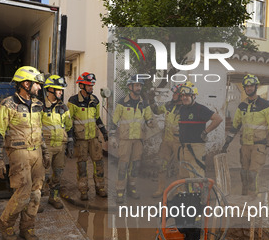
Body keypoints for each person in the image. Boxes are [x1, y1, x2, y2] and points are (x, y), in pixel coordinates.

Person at [0, 66, 51, 240]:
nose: (39, 88)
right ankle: (6, 224)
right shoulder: (8, 104)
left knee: (36, 194)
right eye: (37, 84)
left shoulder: (38, 105)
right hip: (19, 153)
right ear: (26, 84)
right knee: (23, 193)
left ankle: (27, 227)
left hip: (37, 153)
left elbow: (40, 131)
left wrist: (46, 150)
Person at [222, 74, 269, 195]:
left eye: (251, 86)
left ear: (256, 86)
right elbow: (235, 126)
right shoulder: (242, 106)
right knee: (244, 174)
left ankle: (253, 202)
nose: (249, 88)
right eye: (246, 86)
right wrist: (226, 144)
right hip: (245, 146)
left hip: (259, 146)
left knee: (253, 174)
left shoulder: (265, 105)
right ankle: (245, 199)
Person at [112, 75, 153, 203]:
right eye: (136, 85)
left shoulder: (144, 103)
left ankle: (132, 188)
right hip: (125, 139)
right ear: (130, 87)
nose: (139, 87)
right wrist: (113, 136)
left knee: (135, 165)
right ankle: (120, 191)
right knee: (123, 165)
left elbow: (148, 118)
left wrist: (151, 123)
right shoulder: (122, 102)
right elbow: (114, 120)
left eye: (140, 85)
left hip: (138, 140)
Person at [67, 72, 108, 201]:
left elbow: (97, 118)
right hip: (81, 140)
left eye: (92, 85)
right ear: (82, 86)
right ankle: (83, 190)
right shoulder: (73, 101)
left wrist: (104, 131)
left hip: (94, 138)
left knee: (99, 163)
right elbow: (69, 121)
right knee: (82, 165)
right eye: (89, 85)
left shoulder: (95, 100)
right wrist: (70, 140)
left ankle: (100, 188)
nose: (91, 88)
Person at [177, 81, 223, 179]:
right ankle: (186, 193)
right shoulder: (182, 109)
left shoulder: (200, 109)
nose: (184, 97)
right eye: (183, 95)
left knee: (196, 172)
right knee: (184, 173)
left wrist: (205, 132)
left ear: (194, 96)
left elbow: (218, 119)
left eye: (188, 95)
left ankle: (198, 193)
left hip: (196, 147)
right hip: (183, 146)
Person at [41, 74, 72, 209]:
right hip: (45, 147)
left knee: (58, 174)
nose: (61, 92)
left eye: (61, 90)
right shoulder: (40, 106)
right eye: (58, 89)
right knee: (42, 175)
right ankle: (36, 202)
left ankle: (53, 197)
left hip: (60, 146)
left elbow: (69, 126)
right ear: (50, 90)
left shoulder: (63, 108)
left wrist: (69, 142)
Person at [151, 83, 182, 198]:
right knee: (161, 165)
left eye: (176, 93)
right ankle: (160, 189)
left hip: (179, 143)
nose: (173, 95)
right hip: (166, 141)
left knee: (180, 168)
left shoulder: (186, 108)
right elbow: (157, 110)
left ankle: (179, 190)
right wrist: (151, 99)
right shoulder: (169, 105)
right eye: (173, 93)